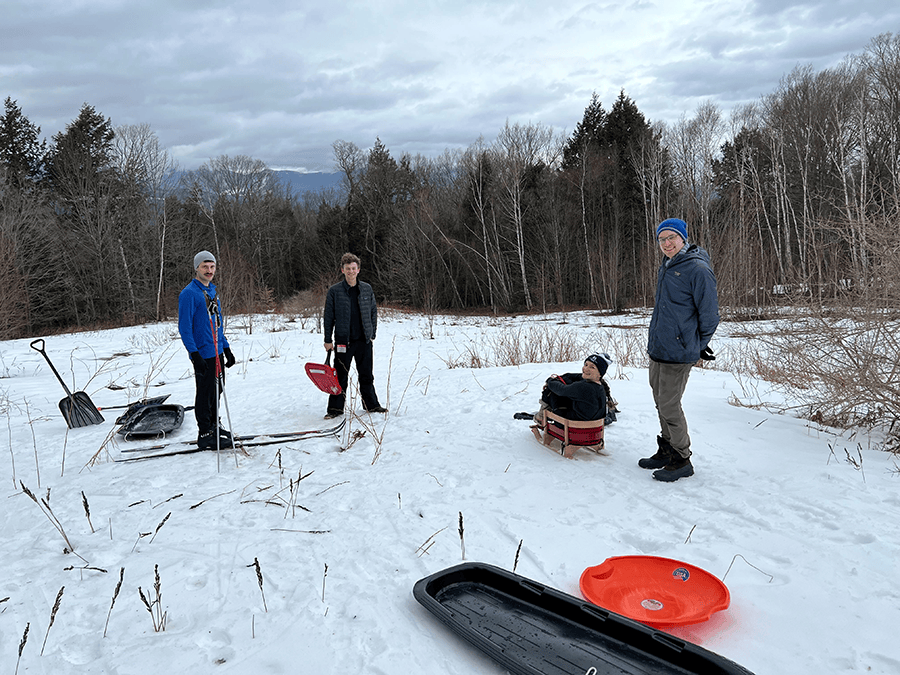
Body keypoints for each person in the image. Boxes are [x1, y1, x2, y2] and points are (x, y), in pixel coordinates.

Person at [640, 218, 719, 482]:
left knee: (670, 405)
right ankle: (667, 449)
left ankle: (682, 459)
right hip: (660, 348)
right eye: (662, 240)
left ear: (683, 238)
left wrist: (698, 344)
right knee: (660, 402)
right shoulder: (668, 265)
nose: (667, 244)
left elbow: (709, 315)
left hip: (679, 351)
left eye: (671, 238)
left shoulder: (697, 269)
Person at [178, 250, 236, 449]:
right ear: (197, 268)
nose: (209, 270)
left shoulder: (212, 292)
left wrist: (226, 348)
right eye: (205, 266)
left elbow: (216, 324)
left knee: (217, 390)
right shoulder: (189, 294)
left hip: (217, 351)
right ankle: (205, 433)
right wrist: (194, 354)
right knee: (205, 393)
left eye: (212, 267)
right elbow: (185, 328)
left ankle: (214, 425)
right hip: (203, 352)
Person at [322, 253, 387, 418]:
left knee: (366, 375)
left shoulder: (366, 288)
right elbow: (329, 316)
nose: (351, 271)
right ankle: (335, 410)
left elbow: (373, 312)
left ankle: (371, 405)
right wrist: (328, 340)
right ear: (342, 270)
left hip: (364, 341)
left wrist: (372, 333)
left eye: (353, 268)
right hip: (344, 342)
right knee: (340, 377)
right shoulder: (335, 291)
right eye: (347, 268)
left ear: (358, 270)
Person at [534, 354, 613, 423]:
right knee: (565, 386)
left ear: (600, 373)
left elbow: (561, 390)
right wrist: (566, 377)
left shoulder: (583, 387)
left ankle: (540, 417)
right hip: (592, 426)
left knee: (551, 391)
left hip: (575, 428)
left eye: (592, 367)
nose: (586, 369)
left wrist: (550, 380)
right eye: (586, 365)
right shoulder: (600, 386)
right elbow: (578, 376)